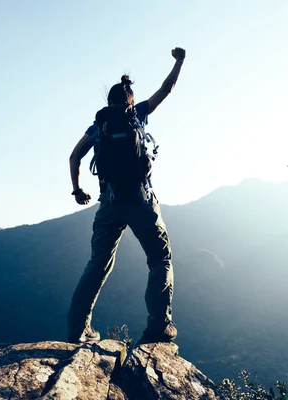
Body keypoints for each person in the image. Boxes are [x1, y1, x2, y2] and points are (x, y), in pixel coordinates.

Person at [67, 47, 186, 344]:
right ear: (130, 101)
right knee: (160, 259)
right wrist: (179, 62)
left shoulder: (98, 126)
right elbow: (167, 89)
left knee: (97, 263)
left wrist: (78, 189)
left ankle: (78, 330)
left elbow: (74, 157)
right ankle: (158, 327)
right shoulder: (139, 114)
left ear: (108, 103)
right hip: (141, 199)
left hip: (108, 202)